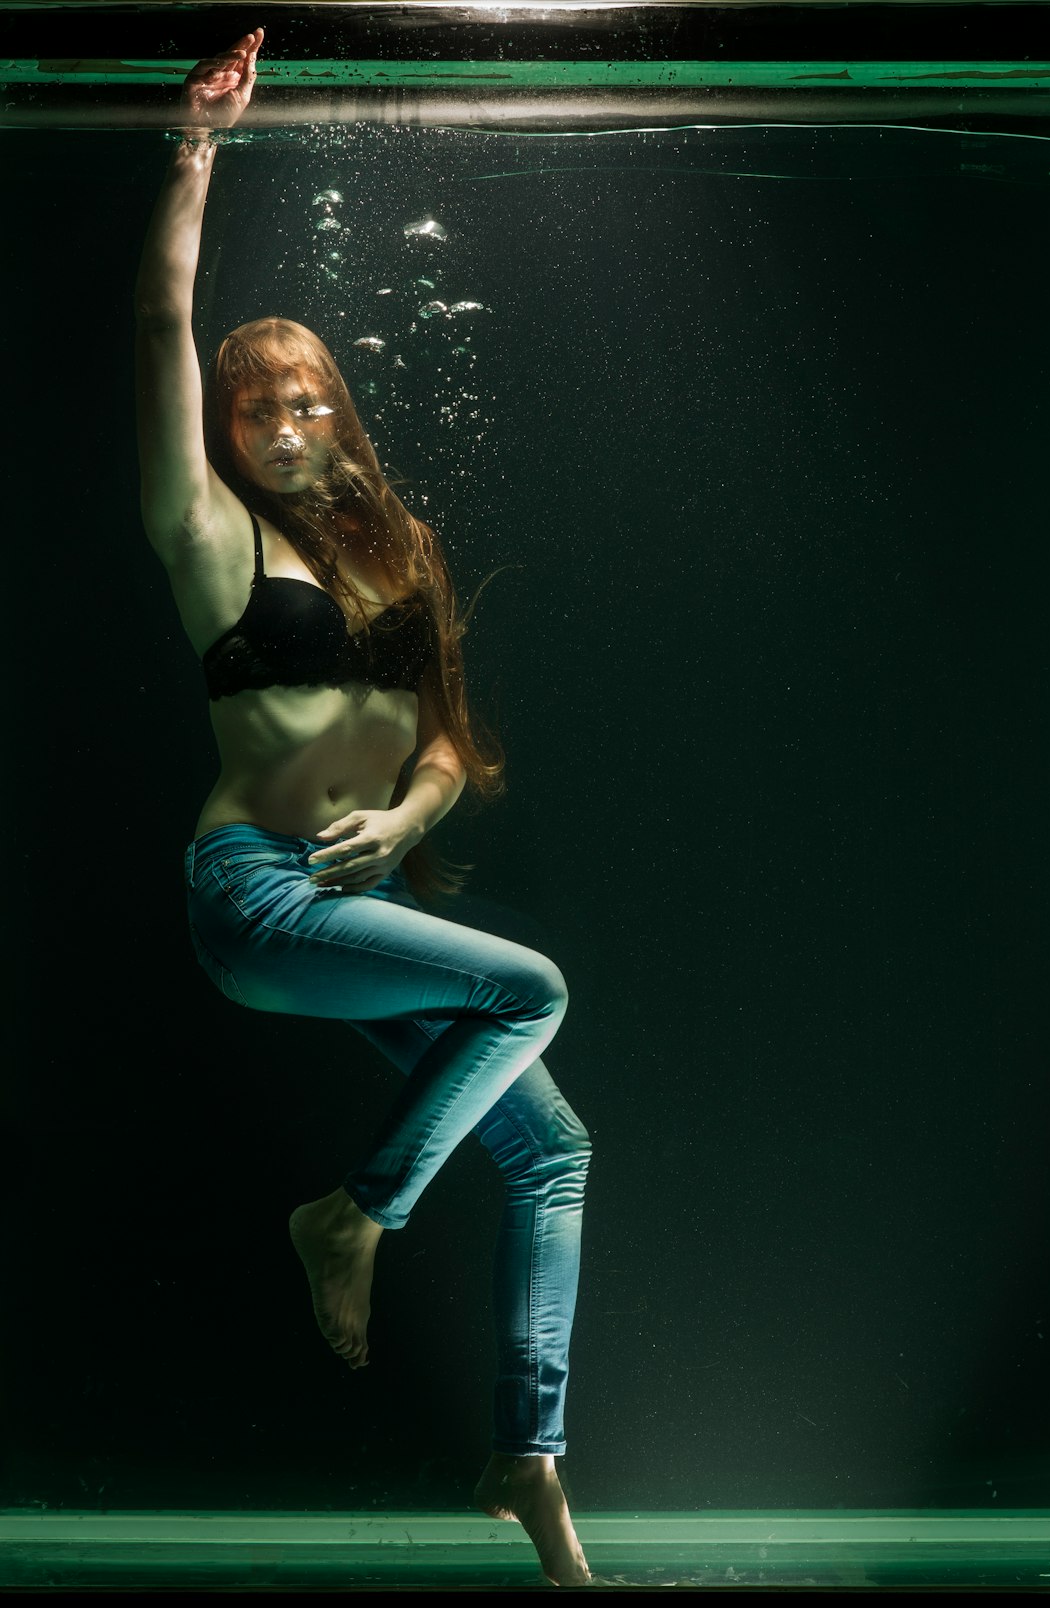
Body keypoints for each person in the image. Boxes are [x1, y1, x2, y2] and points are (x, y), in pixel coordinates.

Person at [134, 29, 592, 1588]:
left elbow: (450, 744)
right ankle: (353, 1217)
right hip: (255, 891)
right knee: (533, 989)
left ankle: (528, 1456)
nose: (283, 423)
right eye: (255, 404)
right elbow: (157, 325)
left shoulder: (402, 554)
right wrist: (196, 156)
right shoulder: (211, 537)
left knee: (555, 1152)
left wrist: (405, 822)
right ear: (226, 426)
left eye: (307, 400)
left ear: (342, 410)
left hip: (350, 886)